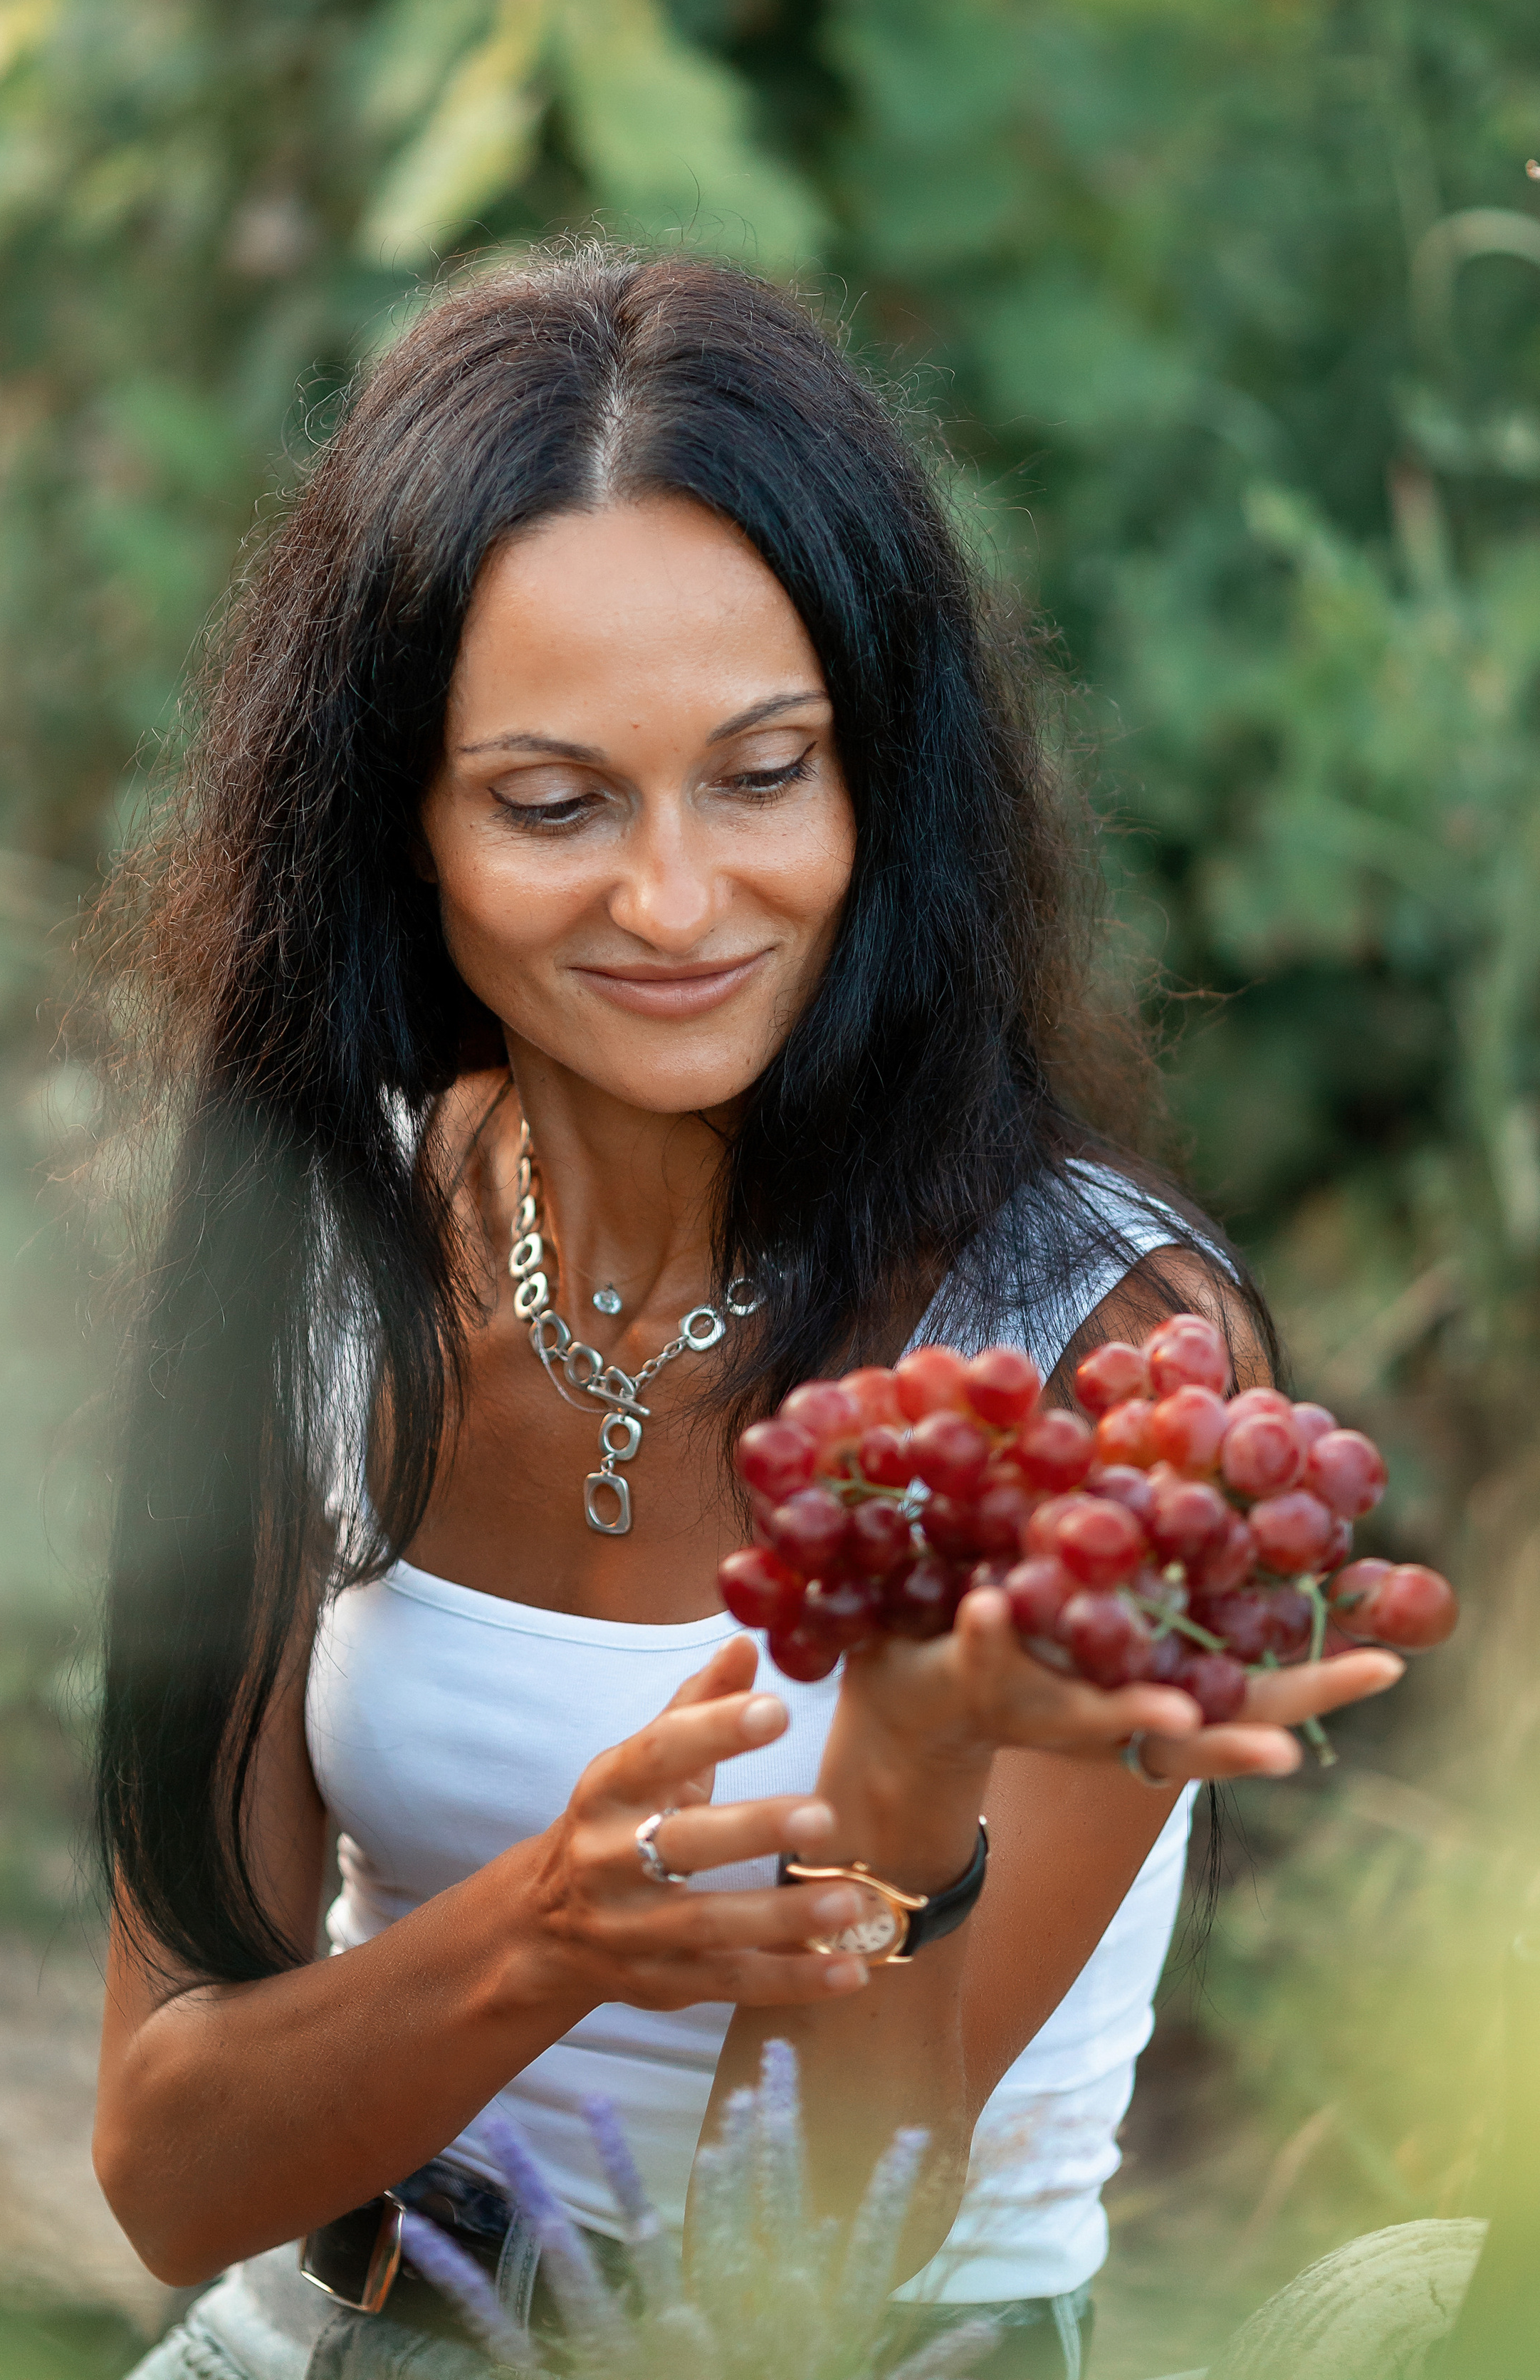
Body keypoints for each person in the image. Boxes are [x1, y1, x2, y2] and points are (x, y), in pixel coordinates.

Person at [88, 249, 1399, 2380]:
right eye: (553, 803)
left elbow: (811, 2296)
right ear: (397, 825)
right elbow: (168, 2161)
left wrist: (904, 1784)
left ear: (882, 779)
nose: (679, 902)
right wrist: (545, 1935)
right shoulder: (327, 1253)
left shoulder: (1097, 1361)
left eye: (763, 773)